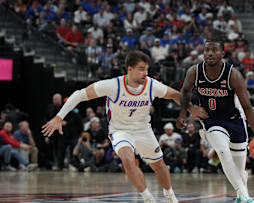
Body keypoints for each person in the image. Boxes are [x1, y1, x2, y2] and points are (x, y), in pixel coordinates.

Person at [42, 51, 204, 203]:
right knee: (127, 160)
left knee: (159, 166)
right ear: (130, 69)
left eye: (146, 69)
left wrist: (190, 109)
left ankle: (169, 195)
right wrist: (59, 116)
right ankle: (148, 198)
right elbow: (79, 94)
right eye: (141, 69)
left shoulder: (151, 85)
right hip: (120, 130)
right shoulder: (113, 85)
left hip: (143, 130)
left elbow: (175, 95)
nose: (145, 73)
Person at [177, 39, 254, 203]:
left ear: (222, 53)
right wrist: (185, 112)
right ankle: (244, 196)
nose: (210, 53)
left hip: (234, 121)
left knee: (240, 170)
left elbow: (248, 107)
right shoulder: (194, 71)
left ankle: (241, 196)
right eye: (207, 50)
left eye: (214, 50)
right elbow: (185, 91)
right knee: (222, 152)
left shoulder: (233, 74)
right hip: (211, 120)